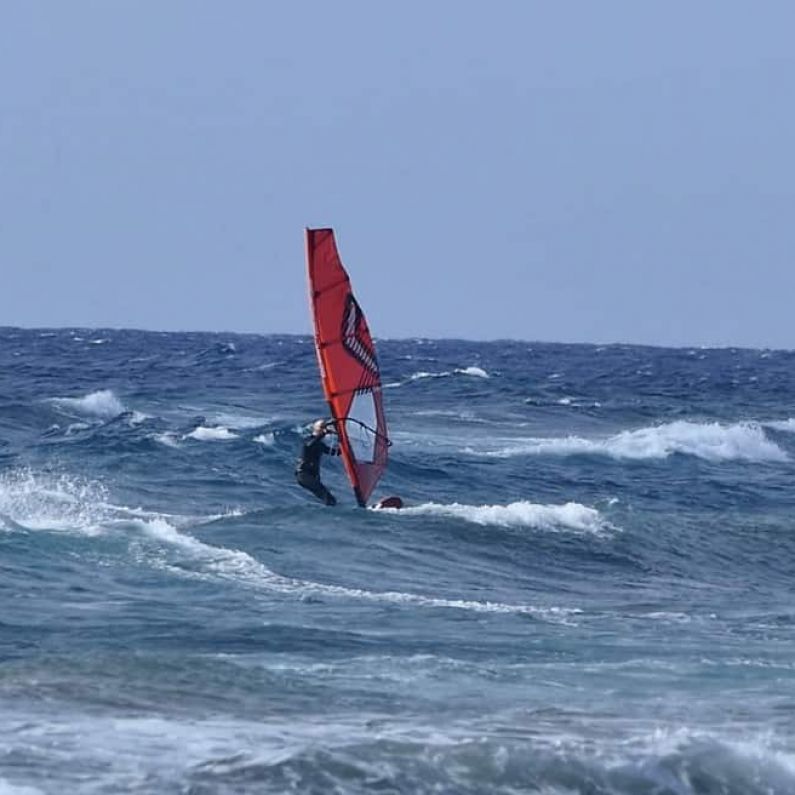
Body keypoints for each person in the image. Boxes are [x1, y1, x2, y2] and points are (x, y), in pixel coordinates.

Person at [295, 419, 341, 505]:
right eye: (322, 427)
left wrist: (342, 442)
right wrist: (324, 433)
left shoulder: (320, 445)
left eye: (325, 427)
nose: (324, 429)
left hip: (313, 476)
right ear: (315, 429)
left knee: (329, 498)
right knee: (326, 496)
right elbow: (310, 445)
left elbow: (335, 452)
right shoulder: (308, 440)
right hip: (303, 475)